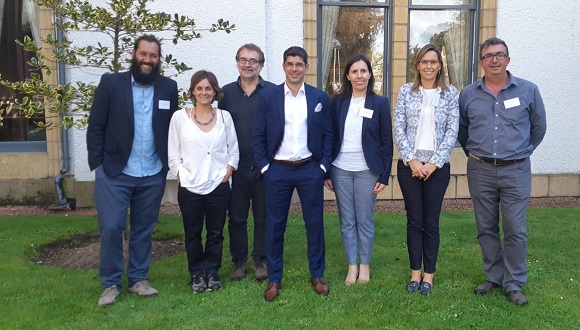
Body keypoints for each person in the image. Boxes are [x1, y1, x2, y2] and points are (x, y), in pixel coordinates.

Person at [87, 35, 178, 307]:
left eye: (154, 56)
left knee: (143, 228)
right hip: (115, 171)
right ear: (134, 54)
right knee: (113, 226)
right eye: (144, 54)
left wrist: (166, 166)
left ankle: (139, 278)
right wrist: (97, 163)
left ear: (159, 59)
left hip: (152, 172)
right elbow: (95, 125)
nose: (148, 60)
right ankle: (111, 283)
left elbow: (171, 128)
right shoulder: (111, 83)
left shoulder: (168, 87)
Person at [458, 37, 546, 306]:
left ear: (508, 59)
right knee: (485, 227)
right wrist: (475, 157)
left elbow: (538, 128)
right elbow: (463, 131)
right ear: (481, 63)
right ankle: (494, 276)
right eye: (488, 56)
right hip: (480, 170)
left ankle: (515, 282)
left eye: (499, 54)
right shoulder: (468, 94)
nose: (494, 59)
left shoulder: (528, 91)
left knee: (515, 228)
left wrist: (521, 153)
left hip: (516, 171)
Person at [253, 46, 333, 302]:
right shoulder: (269, 97)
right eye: (290, 64)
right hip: (278, 170)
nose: (295, 68)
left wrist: (322, 167)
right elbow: (258, 135)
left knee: (315, 224)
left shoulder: (319, 97)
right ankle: (274, 278)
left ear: (306, 67)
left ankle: (317, 275)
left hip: (310, 169)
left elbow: (329, 135)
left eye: (299, 64)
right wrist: (266, 167)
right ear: (284, 67)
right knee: (275, 226)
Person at [394, 44, 459, 295]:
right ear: (417, 65)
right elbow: (398, 126)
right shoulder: (406, 92)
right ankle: (414, 273)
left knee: (431, 222)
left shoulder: (451, 93)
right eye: (424, 62)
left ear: (440, 65)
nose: (429, 66)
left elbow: (452, 130)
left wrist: (434, 162)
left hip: (437, 168)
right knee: (414, 221)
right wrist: (411, 160)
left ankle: (428, 275)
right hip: (409, 166)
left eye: (433, 62)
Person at [324, 54, 393, 286]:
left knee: (364, 220)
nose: (359, 75)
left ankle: (365, 265)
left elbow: (387, 141)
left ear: (370, 74)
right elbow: (330, 136)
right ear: (347, 75)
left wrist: (384, 175)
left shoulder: (380, 103)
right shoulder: (337, 102)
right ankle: (351, 266)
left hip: (367, 170)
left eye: (363, 71)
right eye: (354, 71)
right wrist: (326, 172)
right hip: (340, 169)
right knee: (347, 220)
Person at [168, 70, 239, 293]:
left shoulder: (225, 118)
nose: (204, 92)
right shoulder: (180, 118)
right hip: (190, 186)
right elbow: (173, 153)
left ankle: (212, 270)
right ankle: (197, 272)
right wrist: (181, 173)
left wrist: (227, 172)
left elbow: (233, 150)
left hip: (218, 184)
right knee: (193, 233)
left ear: (215, 91)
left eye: (208, 88)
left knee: (216, 232)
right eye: (199, 88)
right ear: (192, 91)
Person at [218, 44, 275, 282]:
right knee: (237, 218)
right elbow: (218, 129)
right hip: (236, 168)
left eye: (253, 60)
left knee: (263, 216)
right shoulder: (225, 93)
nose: (248, 64)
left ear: (261, 64)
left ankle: (260, 260)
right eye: (243, 60)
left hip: (264, 167)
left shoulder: (272, 92)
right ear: (237, 62)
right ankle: (239, 262)